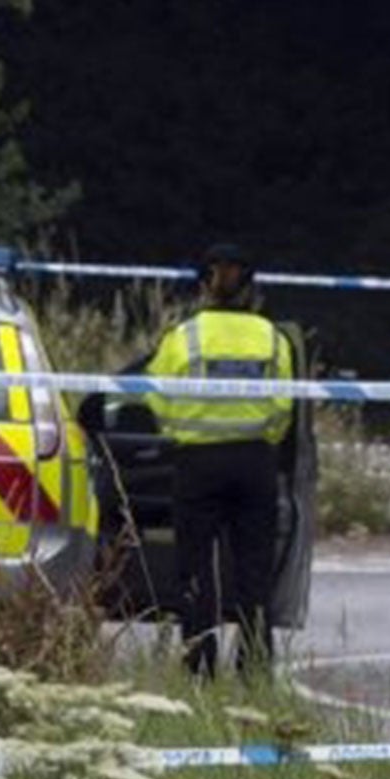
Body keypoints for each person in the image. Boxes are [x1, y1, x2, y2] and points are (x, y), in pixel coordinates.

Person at [146, 242, 295, 678]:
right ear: (252, 288)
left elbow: (157, 396)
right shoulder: (272, 337)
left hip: (197, 464)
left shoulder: (183, 336)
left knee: (195, 568)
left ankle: (199, 663)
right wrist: (263, 437)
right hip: (254, 463)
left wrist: (179, 432)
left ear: (203, 287)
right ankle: (254, 666)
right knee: (254, 570)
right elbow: (285, 405)